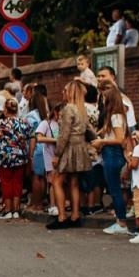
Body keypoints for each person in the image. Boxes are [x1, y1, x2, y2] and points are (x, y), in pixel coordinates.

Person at [48, 80, 93, 229]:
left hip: (69, 148)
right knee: (74, 182)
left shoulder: (68, 109)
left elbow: (64, 134)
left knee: (56, 181)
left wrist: (57, 154)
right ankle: (75, 215)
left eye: (65, 90)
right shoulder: (82, 109)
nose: (63, 93)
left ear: (71, 92)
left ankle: (61, 217)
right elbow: (89, 130)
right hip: (80, 147)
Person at [90, 76, 132, 235]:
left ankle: (121, 222)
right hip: (112, 153)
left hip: (113, 154)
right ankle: (120, 220)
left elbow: (120, 139)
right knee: (114, 188)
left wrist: (102, 142)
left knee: (115, 189)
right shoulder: (116, 116)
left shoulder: (115, 116)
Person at [0, 99, 32, 220]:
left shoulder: (1, 123)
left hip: (5, 157)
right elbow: (30, 136)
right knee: (18, 183)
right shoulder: (24, 122)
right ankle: (16, 210)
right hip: (20, 156)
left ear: (5, 109)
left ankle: (8, 210)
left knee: (6, 182)